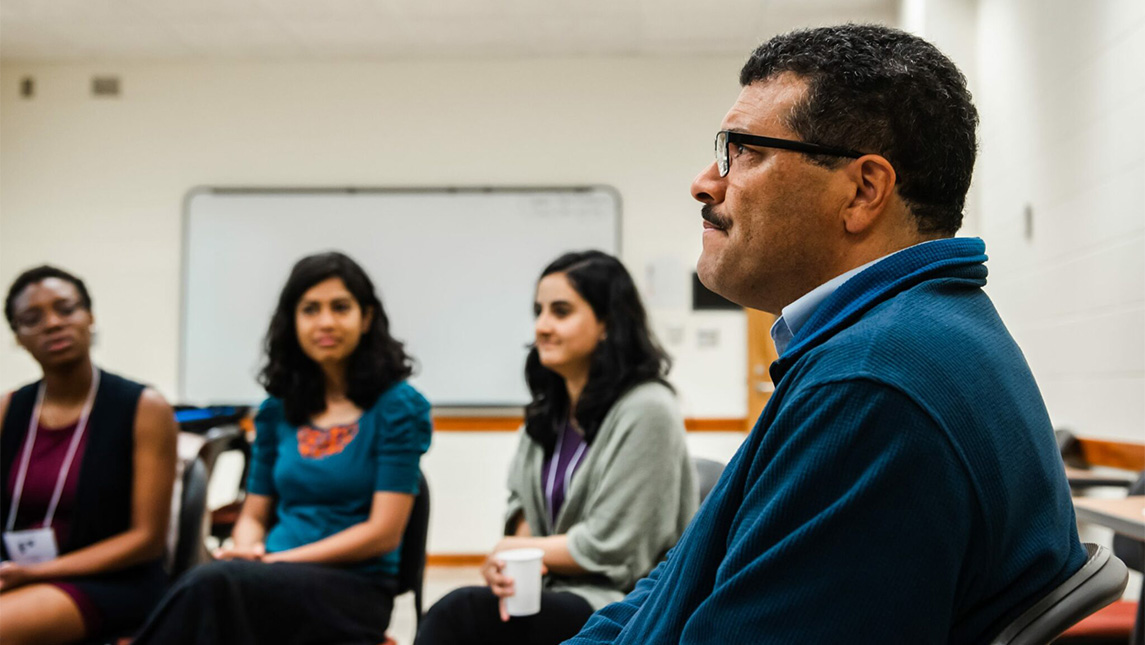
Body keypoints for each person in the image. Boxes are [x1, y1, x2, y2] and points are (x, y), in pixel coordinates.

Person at [567, 24, 1087, 644]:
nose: (705, 182)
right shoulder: (910, 337)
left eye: (745, 152)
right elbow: (687, 574)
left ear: (863, 191)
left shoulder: (871, 385)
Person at [134, 251, 432, 644]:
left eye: (340, 307)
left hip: (353, 588)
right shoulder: (277, 411)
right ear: (292, 321)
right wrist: (245, 551)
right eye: (310, 309)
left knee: (212, 587)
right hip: (271, 575)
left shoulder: (398, 408)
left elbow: (382, 533)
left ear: (367, 318)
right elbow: (254, 514)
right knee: (213, 591)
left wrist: (273, 562)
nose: (325, 321)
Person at [416, 250, 697, 645]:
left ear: (607, 323)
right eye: (539, 311)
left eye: (561, 312)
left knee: (458, 613)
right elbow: (522, 509)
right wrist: (511, 561)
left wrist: (518, 548)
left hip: (626, 604)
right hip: (552, 593)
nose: (542, 327)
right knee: (467, 612)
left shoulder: (648, 408)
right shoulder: (550, 410)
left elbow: (615, 547)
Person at [0, 265, 177, 645]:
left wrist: (36, 573)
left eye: (65, 309)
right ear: (17, 336)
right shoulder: (8, 409)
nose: (52, 323)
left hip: (111, 583)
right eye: (32, 318)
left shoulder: (144, 407)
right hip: (15, 575)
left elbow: (147, 539)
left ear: (89, 316)